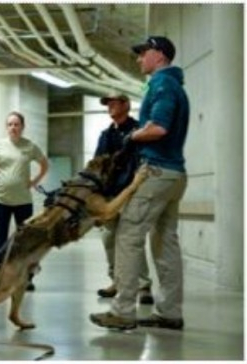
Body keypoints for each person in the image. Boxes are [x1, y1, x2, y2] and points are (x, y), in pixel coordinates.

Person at [90, 36, 189, 330]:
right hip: (174, 174)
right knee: (166, 244)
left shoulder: (162, 85)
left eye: (142, 53)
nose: (138, 59)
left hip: (156, 172)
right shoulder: (174, 85)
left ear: (158, 55)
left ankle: (122, 311)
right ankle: (170, 312)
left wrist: (132, 136)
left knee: (127, 235)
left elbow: (159, 128)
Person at [94, 93, 154, 305]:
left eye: (113, 103)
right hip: (110, 195)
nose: (109, 106)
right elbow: (98, 166)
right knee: (109, 238)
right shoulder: (106, 135)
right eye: (107, 103)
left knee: (131, 240)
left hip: (132, 192)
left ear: (126, 105)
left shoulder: (140, 131)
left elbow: (145, 160)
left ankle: (143, 285)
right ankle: (117, 281)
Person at [0, 111, 49, 291]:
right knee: (0, 240)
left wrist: (34, 181)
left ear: (22, 127)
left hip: (23, 202)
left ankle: (26, 277)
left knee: (24, 241)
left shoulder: (30, 147)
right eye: (10, 124)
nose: (13, 127)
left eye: (16, 124)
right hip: (1, 201)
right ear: (7, 127)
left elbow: (44, 164)